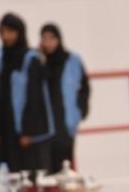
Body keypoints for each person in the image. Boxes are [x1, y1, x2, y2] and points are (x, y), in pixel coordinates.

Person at [0, 13, 53, 173]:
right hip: (8, 127)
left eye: (11, 31)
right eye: (3, 32)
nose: (6, 36)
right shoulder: (2, 60)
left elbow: (35, 98)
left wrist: (29, 132)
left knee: (30, 173)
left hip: (26, 130)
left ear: (20, 32)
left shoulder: (30, 59)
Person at [38, 24, 90, 173]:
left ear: (59, 39)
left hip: (65, 121)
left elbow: (84, 87)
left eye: (52, 38)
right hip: (46, 123)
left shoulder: (72, 60)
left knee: (65, 164)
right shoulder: (39, 61)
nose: (48, 43)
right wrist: (39, 58)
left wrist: (80, 110)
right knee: (47, 166)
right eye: (44, 39)